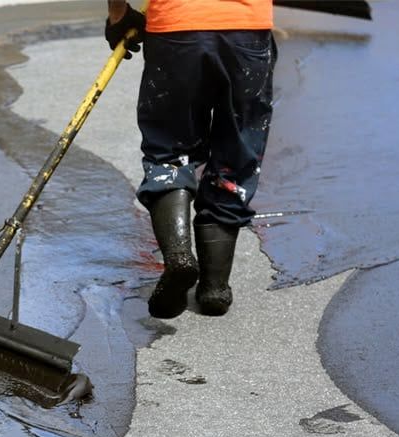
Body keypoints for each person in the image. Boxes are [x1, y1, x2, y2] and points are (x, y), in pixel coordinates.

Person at [105, 0, 277, 318]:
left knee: (170, 150)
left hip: (177, 28)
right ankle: (214, 286)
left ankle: (179, 257)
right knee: (237, 152)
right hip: (246, 30)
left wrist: (118, 14)